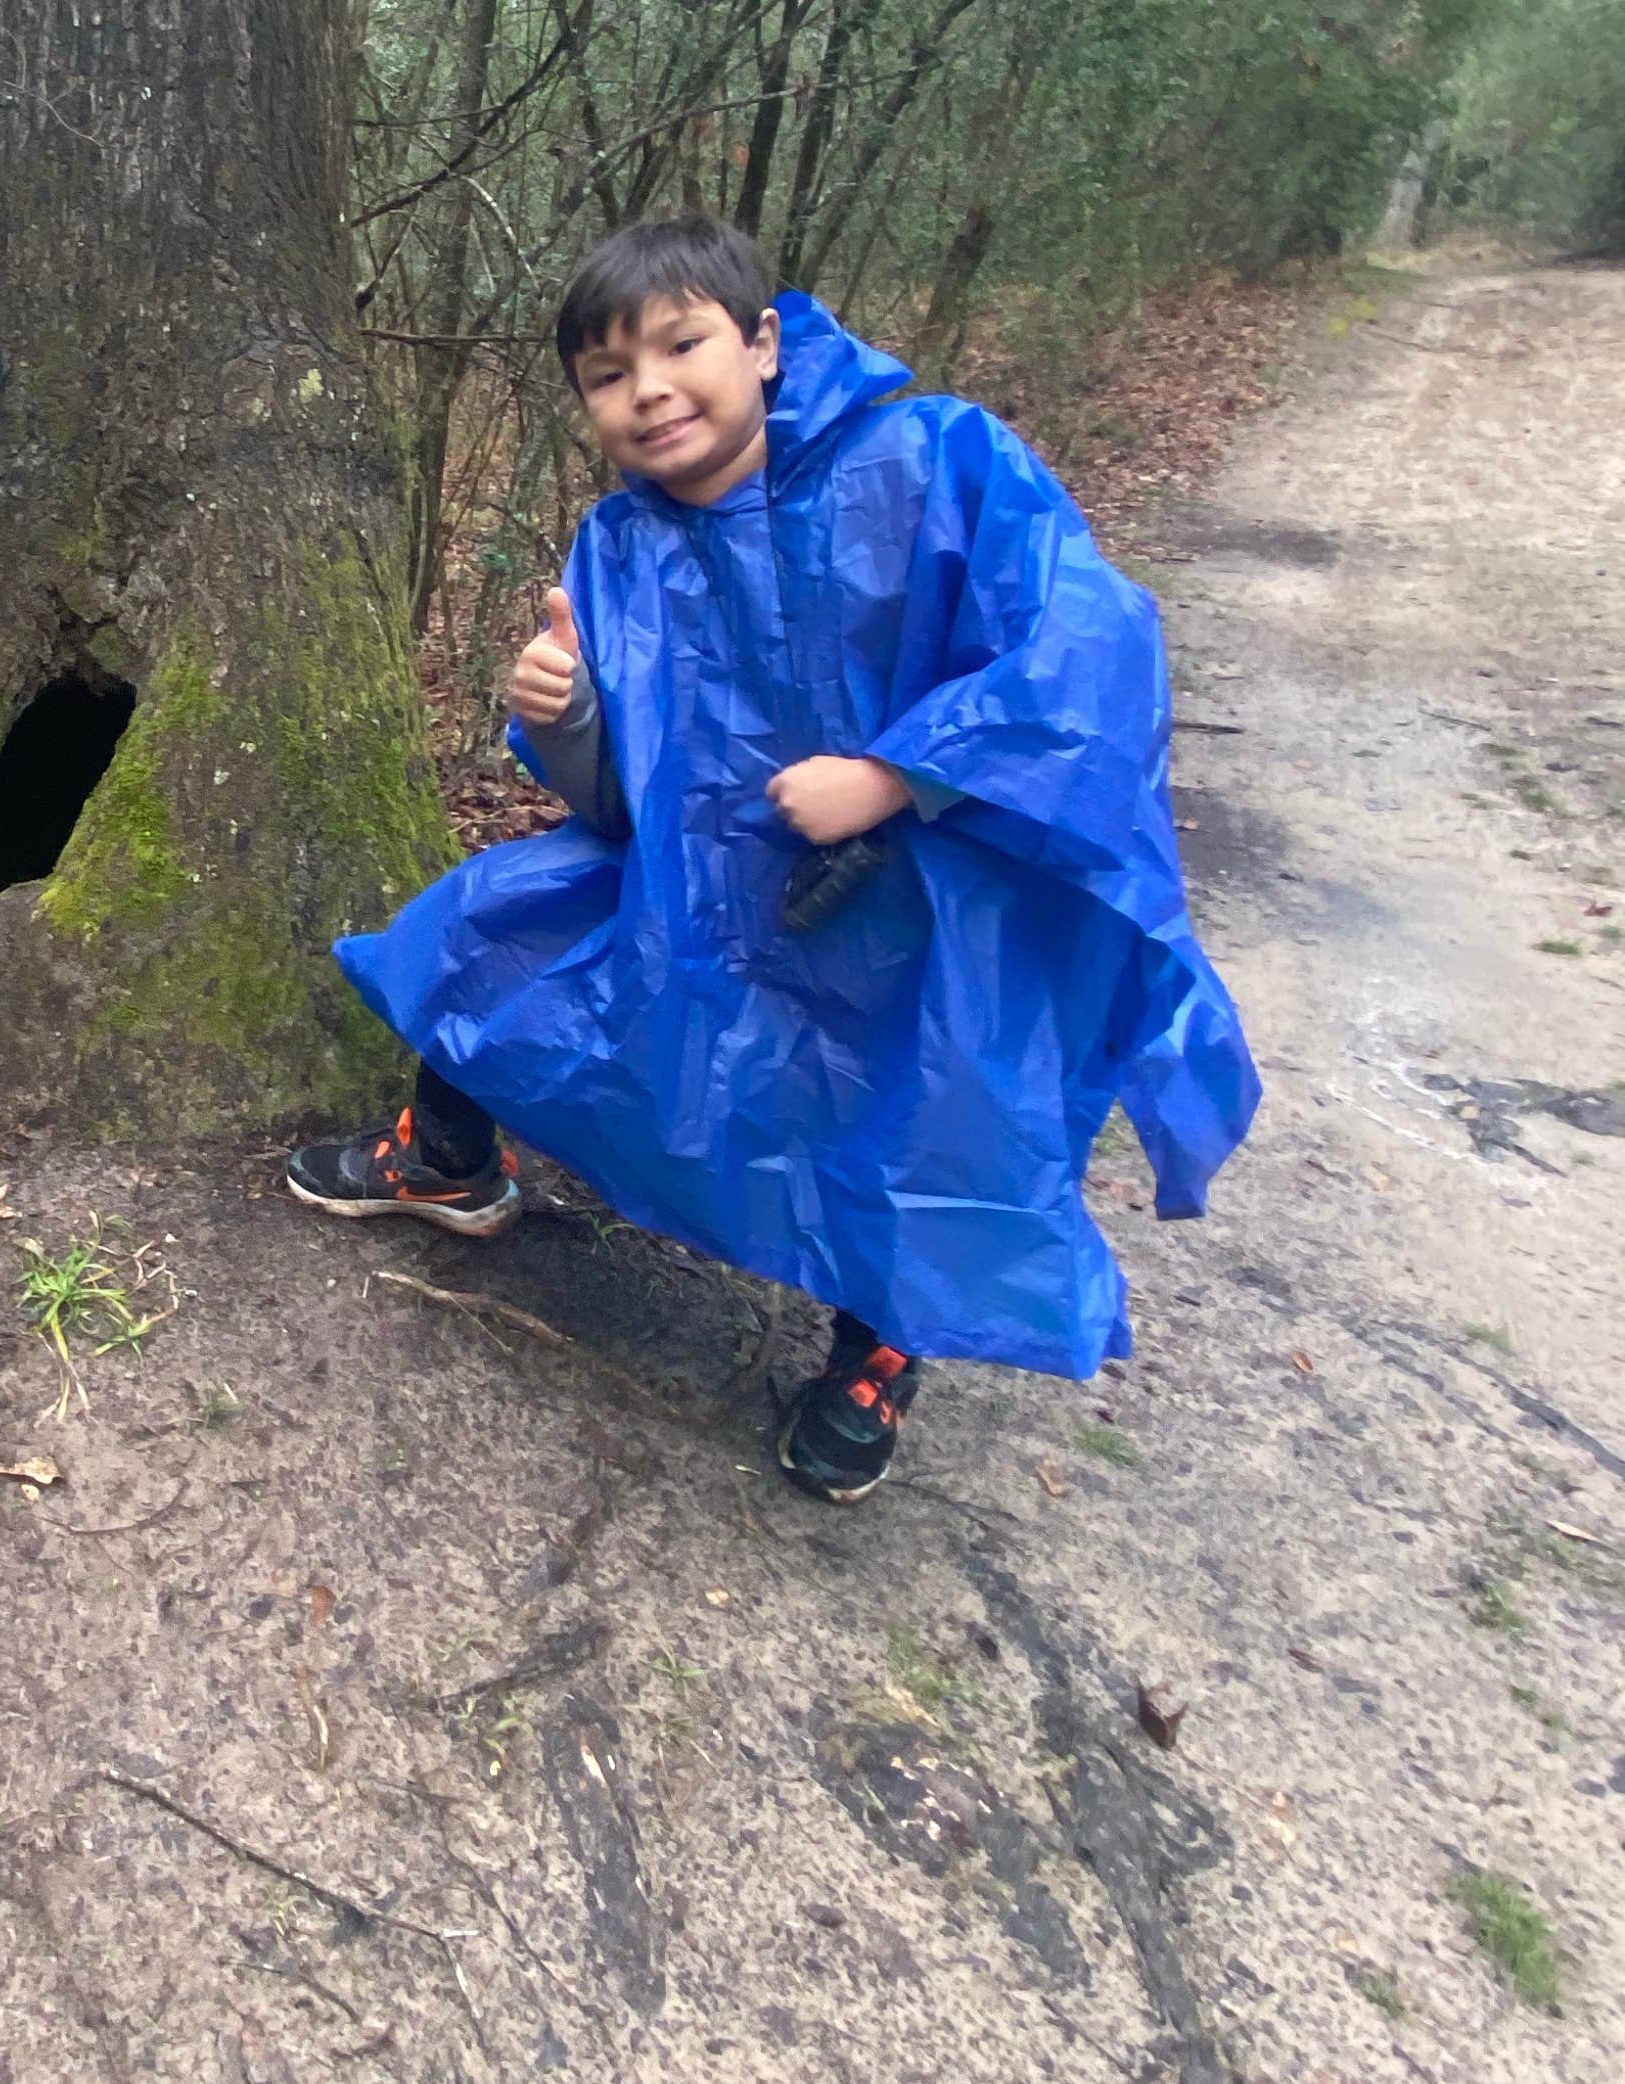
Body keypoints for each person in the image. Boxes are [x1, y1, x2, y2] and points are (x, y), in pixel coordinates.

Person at [288, 219, 1259, 1500]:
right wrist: (562, 721)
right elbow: (622, 809)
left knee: (929, 1094)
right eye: (606, 374)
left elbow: (1090, 650)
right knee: (488, 927)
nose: (650, 392)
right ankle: (452, 1157)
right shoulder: (617, 551)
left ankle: (880, 1349)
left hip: (931, 895)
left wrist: (896, 775)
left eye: (681, 345)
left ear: (762, 344)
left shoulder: (932, 460)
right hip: (696, 891)